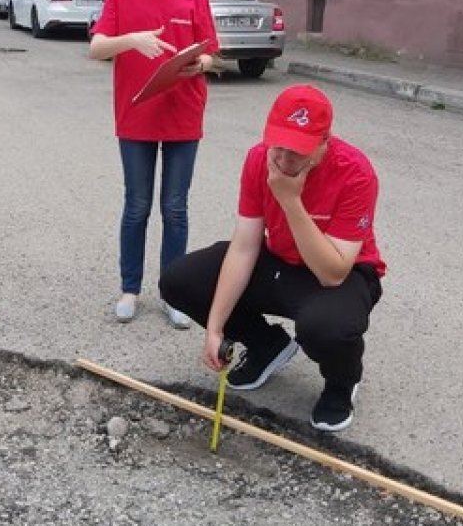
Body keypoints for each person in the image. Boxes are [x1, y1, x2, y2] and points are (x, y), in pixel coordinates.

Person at [159, 85, 385, 431]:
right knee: (180, 280)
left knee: (326, 329)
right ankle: (267, 347)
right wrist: (216, 328)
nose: (283, 160)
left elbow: (332, 273)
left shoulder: (355, 172)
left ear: (324, 142)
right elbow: (245, 246)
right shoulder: (258, 158)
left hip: (341, 273)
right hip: (280, 259)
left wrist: (290, 200)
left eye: (298, 152)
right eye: (279, 146)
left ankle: (342, 383)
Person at [89, 0, 220, 329]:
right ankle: (130, 288)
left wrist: (195, 63)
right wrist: (132, 40)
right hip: (137, 116)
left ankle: (174, 293)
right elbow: (96, 47)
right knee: (138, 206)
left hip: (183, 115)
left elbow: (211, 54)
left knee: (175, 208)